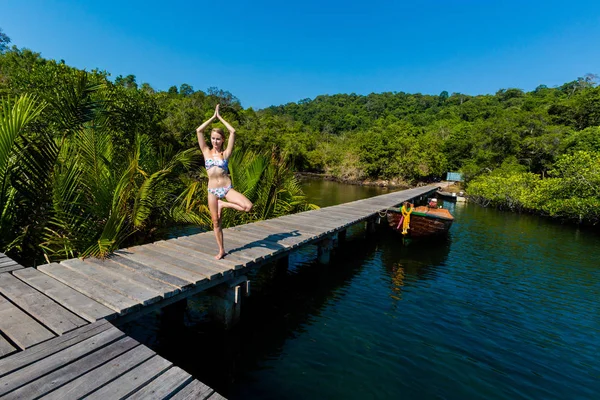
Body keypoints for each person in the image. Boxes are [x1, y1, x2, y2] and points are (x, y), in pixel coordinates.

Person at [196, 104, 252, 259]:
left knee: (248, 206)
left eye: (218, 139)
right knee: (215, 222)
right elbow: (199, 131)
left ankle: (224, 204)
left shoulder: (225, 154)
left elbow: (233, 131)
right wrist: (212, 118)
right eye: (213, 138)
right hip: (212, 190)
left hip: (226, 188)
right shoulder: (206, 152)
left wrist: (220, 117)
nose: (215, 141)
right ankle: (221, 250)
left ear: (222, 140)